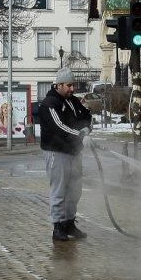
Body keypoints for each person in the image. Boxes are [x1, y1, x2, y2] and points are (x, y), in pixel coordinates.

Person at [40, 67, 93, 242]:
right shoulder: (50, 104)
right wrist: (80, 135)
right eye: (69, 85)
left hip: (74, 152)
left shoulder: (72, 101)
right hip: (57, 152)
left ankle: (70, 223)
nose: (72, 89)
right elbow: (59, 127)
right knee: (59, 190)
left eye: (73, 85)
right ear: (59, 85)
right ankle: (58, 226)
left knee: (75, 190)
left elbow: (86, 115)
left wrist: (86, 127)